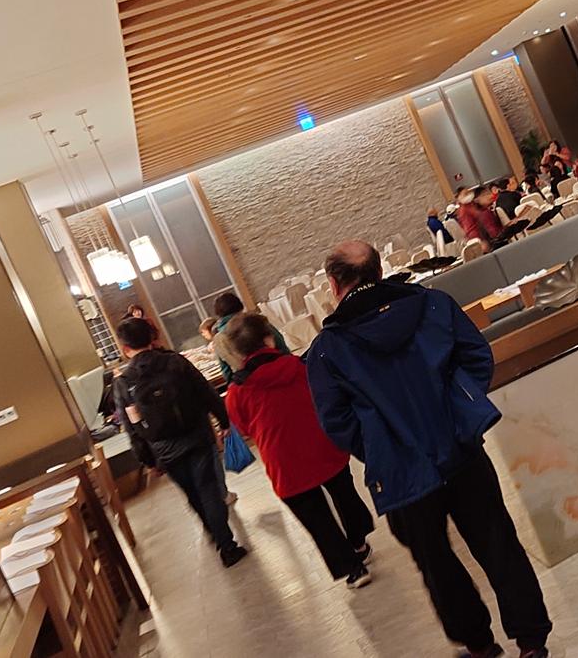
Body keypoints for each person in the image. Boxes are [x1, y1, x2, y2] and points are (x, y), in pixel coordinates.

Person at [307, 241, 552, 658]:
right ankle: (531, 642)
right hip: (461, 448)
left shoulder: (327, 351)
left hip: (401, 473)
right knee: (498, 542)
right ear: (379, 272)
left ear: (333, 284)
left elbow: (336, 421)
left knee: (435, 562)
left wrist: (379, 446)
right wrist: (460, 413)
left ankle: (479, 646)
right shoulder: (433, 305)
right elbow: (477, 358)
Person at [222, 314, 375, 589]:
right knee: (345, 495)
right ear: (269, 339)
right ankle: (359, 542)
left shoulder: (237, 391)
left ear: (238, 352)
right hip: (323, 445)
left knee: (317, 519)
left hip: (284, 461)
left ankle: (353, 569)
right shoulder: (300, 366)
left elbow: (243, 428)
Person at [113, 318, 247, 567]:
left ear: (124, 347)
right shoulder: (175, 362)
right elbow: (205, 392)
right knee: (208, 488)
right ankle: (227, 546)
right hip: (196, 435)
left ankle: (213, 531)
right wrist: (223, 420)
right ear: (151, 338)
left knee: (192, 493)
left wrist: (147, 460)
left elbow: (131, 428)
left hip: (163, 448)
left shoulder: (123, 382)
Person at [209, 292, 286, 384]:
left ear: (218, 314)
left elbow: (227, 373)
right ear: (240, 306)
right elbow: (282, 346)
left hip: (248, 384)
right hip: (280, 374)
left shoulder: (218, 340)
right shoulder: (256, 322)